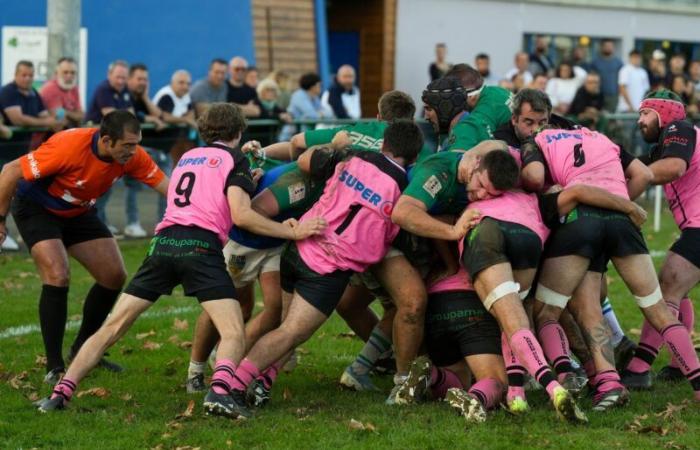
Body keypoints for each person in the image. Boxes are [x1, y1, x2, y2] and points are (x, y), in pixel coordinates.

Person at [34, 103, 327, 417]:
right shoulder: (235, 158)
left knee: (113, 326)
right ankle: (219, 393)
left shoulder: (187, 156)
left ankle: (59, 394)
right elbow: (242, 216)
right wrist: (289, 231)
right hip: (199, 247)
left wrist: (245, 183)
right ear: (239, 132)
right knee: (232, 330)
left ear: (204, 131)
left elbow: (205, 189)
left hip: (163, 244)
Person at [224, 120, 423, 409]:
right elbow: (381, 241)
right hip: (327, 268)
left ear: (383, 144)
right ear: (415, 158)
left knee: (288, 327)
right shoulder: (402, 189)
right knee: (291, 332)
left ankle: (262, 384)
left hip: (298, 245)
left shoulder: (353, 157)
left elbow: (307, 159)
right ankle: (230, 386)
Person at [521, 124, 700, 408]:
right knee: (658, 309)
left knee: (548, 312)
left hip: (580, 221)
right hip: (622, 219)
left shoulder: (537, 140)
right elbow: (644, 173)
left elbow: (534, 177)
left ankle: (601, 381)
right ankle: (698, 384)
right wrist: (622, 203)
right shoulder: (602, 137)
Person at [0, 110, 169, 383]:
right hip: (37, 208)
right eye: (127, 145)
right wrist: (0, 220)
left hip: (78, 212)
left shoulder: (132, 156)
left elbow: (169, 188)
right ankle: (54, 367)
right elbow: (10, 171)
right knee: (58, 275)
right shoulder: (68, 147)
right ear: (106, 140)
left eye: (136, 143)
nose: (133, 151)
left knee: (113, 276)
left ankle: (83, 350)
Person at [621, 90, 700, 391]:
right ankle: (679, 366)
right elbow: (631, 168)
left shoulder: (679, 129)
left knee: (667, 285)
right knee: (679, 290)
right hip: (693, 227)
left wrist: (629, 188)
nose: (639, 121)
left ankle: (640, 367)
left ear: (664, 114)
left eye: (645, 113)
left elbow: (674, 168)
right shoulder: (662, 147)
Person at [121, 63, 167, 238]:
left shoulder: (142, 97)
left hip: (144, 148)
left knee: (163, 182)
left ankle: (164, 223)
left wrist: (146, 97)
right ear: (130, 79)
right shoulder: (124, 94)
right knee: (131, 187)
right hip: (127, 149)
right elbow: (130, 116)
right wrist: (149, 118)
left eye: (145, 79)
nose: (142, 82)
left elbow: (159, 115)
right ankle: (131, 223)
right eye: (139, 79)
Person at [0, 60, 63, 131]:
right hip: (8, 141)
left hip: (28, 140)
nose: (28, 78)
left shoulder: (34, 93)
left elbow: (44, 115)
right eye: (24, 75)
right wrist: (46, 122)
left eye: (31, 75)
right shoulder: (8, 91)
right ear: (15, 75)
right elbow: (18, 120)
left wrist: (55, 121)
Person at [39, 57, 84, 128]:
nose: (69, 76)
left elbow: (81, 115)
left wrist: (67, 113)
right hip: (48, 133)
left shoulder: (74, 88)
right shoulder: (50, 88)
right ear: (56, 74)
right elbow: (59, 118)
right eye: (65, 72)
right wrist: (73, 115)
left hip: (68, 129)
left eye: (73, 73)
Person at [590, 39, 623, 112]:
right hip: (599, 95)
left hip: (614, 96)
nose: (609, 48)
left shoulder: (618, 62)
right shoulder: (595, 62)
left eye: (610, 46)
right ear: (602, 47)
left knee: (612, 119)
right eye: (606, 46)